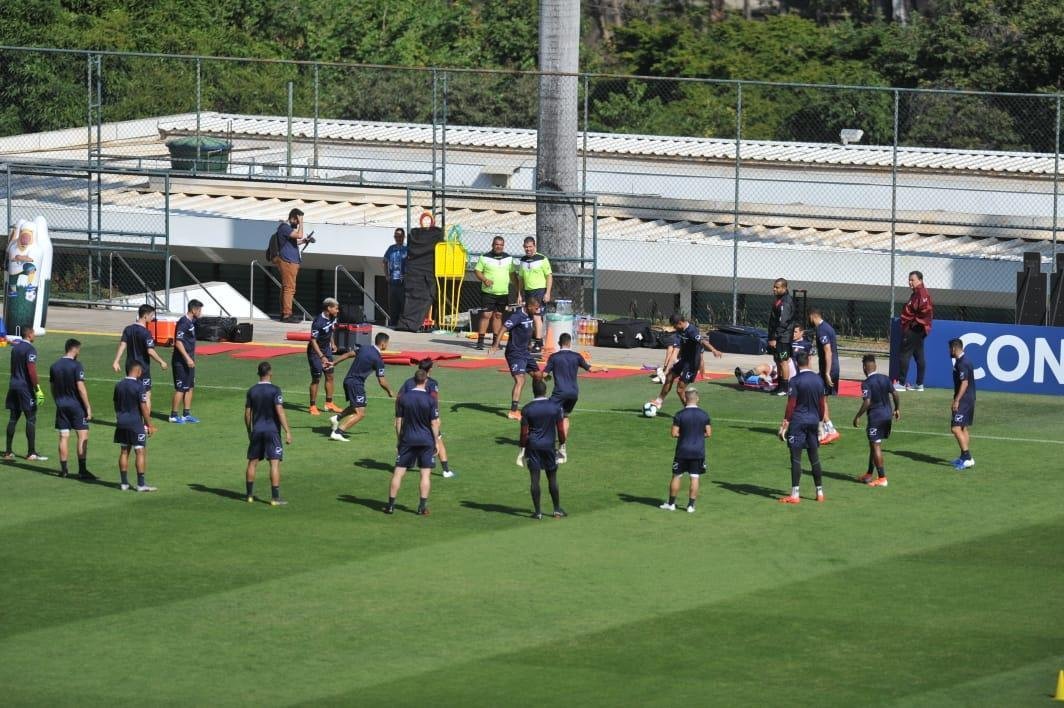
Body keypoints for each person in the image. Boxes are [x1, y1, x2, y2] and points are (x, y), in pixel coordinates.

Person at [543, 332, 608, 463]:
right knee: (565, 417)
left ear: (559, 343)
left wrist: (545, 376)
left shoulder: (554, 357)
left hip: (559, 393)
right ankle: (562, 448)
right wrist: (602, 368)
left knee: (546, 415)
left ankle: (545, 444)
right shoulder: (577, 356)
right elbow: (590, 369)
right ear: (570, 343)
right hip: (573, 393)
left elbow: (544, 374)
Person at [385, 369, 439, 516]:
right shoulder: (430, 400)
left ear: (414, 380)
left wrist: (399, 440)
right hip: (426, 440)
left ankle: (390, 506)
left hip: (407, 440)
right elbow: (434, 423)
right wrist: (436, 442)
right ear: (426, 380)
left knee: (398, 472)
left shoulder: (404, 398)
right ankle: (422, 507)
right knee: (425, 474)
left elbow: (398, 421)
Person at [777, 351, 826, 504]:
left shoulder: (795, 381)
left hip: (798, 422)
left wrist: (785, 422)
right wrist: (820, 422)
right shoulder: (818, 380)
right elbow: (822, 404)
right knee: (814, 457)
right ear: (808, 362)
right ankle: (819, 492)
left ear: (797, 364)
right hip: (813, 421)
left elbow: (791, 404)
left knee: (796, 458)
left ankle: (795, 494)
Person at [647, 314, 722, 411]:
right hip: (683, 360)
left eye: (674, 325)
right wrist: (666, 370)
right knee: (669, 377)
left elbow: (702, 341)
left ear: (680, 323)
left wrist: (714, 350)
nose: (674, 328)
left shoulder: (692, 331)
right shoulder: (679, 331)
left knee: (680, 389)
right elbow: (675, 353)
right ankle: (659, 401)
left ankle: (690, 410)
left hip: (692, 364)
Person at [329, 332, 394, 442]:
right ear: (383, 344)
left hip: (348, 381)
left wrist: (334, 363)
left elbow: (348, 354)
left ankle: (337, 418)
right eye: (387, 343)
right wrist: (390, 391)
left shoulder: (364, 348)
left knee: (356, 406)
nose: (388, 345)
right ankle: (338, 432)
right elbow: (382, 381)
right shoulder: (378, 359)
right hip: (356, 384)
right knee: (360, 414)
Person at [396, 358, 456, 478]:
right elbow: (434, 400)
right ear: (430, 369)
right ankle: (446, 470)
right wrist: (437, 416)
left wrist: (399, 415)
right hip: (426, 418)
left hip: (409, 417)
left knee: (408, 440)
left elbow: (399, 398)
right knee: (438, 440)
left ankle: (404, 464)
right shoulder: (432, 383)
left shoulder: (408, 382)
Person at [518, 376, 567, 519]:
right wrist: (562, 444)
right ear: (545, 391)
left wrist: (522, 449)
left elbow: (524, 433)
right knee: (552, 478)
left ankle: (538, 512)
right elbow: (560, 429)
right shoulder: (555, 407)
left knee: (534, 479)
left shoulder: (527, 409)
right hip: (549, 446)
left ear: (533, 391)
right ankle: (556, 510)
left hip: (533, 446)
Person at [244, 361, 292, 506]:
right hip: (272, 432)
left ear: (258, 373)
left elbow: (247, 414)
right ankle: (275, 498)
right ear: (270, 373)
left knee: (252, 463)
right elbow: (280, 411)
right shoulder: (275, 390)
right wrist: (287, 431)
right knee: (274, 463)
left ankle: (249, 496)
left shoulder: (252, 391)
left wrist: (249, 431)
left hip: (257, 431)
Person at [112, 304, 169, 417]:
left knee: (133, 392)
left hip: (129, 366)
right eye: (151, 315)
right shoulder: (146, 333)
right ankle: (146, 423)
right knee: (146, 395)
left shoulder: (128, 329)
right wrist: (161, 362)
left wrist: (116, 361)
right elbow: (150, 351)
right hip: (142, 368)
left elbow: (123, 345)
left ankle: (133, 418)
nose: (153, 317)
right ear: (145, 316)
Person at [489, 295, 541, 420]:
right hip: (515, 353)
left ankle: (538, 403)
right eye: (536, 308)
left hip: (525, 352)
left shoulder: (530, 315)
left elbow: (527, 330)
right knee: (520, 380)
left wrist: (529, 344)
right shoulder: (516, 316)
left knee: (538, 375)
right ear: (529, 306)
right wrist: (496, 345)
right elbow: (503, 329)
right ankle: (513, 411)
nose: (537, 310)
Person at [660, 388, 712, 513]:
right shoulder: (704, 414)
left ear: (685, 399)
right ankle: (690, 506)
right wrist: (698, 435)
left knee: (677, 476)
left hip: (682, 451)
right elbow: (708, 433)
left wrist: (684, 435)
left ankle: (671, 504)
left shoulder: (679, 414)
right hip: (698, 451)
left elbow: (674, 433)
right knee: (695, 477)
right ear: (697, 399)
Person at [50, 338, 94, 479]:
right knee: (82, 435)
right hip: (76, 406)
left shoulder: (54, 366)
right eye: (79, 350)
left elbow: (52, 387)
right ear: (74, 349)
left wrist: (57, 401)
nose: (79, 352)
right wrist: (88, 407)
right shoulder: (76, 365)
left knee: (64, 436)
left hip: (61, 405)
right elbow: (81, 388)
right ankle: (82, 470)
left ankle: (64, 470)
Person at [852, 354, 899, 487]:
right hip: (887, 415)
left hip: (876, 417)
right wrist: (897, 409)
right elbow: (895, 393)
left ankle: (882, 478)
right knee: (874, 444)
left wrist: (858, 416)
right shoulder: (885, 378)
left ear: (864, 368)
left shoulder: (866, 383)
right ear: (875, 366)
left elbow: (867, 402)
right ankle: (869, 474)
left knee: (876, 445)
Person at [2, 327, 47, 462]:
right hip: (25, 388)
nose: (35, 336)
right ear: (29, 335)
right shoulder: (30, 349)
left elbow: (13, 368)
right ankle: (31, 453)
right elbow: (31, 370)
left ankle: (8, 452)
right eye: (33, 333)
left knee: (13, 418)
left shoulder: (15, 348)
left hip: (13, 385)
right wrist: (37, 389)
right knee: (31, 418)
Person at [113, 360, 157, 492]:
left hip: (121, 422)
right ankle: (141, 485)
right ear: (137, 370)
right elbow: (143, 407)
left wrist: (120, 417)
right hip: (135, 424)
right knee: (140, 452)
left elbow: (116, 404)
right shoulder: (139, 386)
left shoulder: (119, 385)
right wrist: (149, 425)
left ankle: (124, 483)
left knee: (124, 451)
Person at [473, 236, 513, 350]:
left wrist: (519, 290)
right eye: (496, 244)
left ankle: (496, 342)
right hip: (488, 293)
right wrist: (485, 280)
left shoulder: (508, 258)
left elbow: (512, 274)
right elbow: (477, 271)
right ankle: (480, 341)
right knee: (486, 315)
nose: (499, 246)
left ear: (503, 246)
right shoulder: (484, 257)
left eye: (501, 245)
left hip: (503, 293)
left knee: (498, 316)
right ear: (492, 245)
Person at [896, 270, 934, 392]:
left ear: (920, 280)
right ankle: (919, 384)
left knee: (904, 354)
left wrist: (914, 323)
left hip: (914, 329)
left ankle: (901, 383)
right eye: (909, 280)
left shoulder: (921, 293)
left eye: (912, 280)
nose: (910, 282)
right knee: (919, 356)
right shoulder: (917, 293)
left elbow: (925, 310)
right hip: (918, 329)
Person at [513, 236, 552, 351]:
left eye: (530, 247)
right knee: (529, 317)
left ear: (534, 246)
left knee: (536, 316)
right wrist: (519, 294)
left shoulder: (542, 259)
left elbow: (549, 276)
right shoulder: (523, 260)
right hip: (528, 292)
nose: (528, 249)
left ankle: (539, 343)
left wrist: (547, 293)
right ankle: (530, 342)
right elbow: (521, 279)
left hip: (539, 291)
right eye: (526, 247)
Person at [307, 297, 344, 417]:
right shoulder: (318, 322)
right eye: (336, 308)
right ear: (329, 308)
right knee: (316, 378)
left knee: (330, 376)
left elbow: (330, 331)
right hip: (315, 352)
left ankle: (329, 403)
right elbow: (313, 341)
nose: (337, 310)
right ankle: (312, 406)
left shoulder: (333, 317)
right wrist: (321, 356)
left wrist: (332, 343)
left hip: (326, 350)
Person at [807, 309, 840, 444]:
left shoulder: (822, 330)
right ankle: (826, 430)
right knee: (822, 399)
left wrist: (826, 372)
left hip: (829, 369)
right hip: (831, 368)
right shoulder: (827, 327)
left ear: (812, 316)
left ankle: (830, 430)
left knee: (820, 399)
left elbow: (828, 352)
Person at [271, 208, 308, 323]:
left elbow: (293, 242)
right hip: (288, 261)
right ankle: (287, 314)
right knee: (289, 288)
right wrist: (301, 223)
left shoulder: (287, 229)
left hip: (290, 261)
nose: (297, 223)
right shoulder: (284, 227)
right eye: (297, 220)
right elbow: (299, 235)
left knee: (286, 287)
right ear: (293, 218)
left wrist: (304, 241)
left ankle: (284, 313)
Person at [169, 299, 203, 424]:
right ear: (193, 310)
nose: (200, 313)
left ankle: (186, 414)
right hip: (181, 362)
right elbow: (178, 342)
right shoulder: (183, 323)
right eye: (199, 310)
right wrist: (187, 358)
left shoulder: (191, 321)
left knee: (190, 387)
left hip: (190, 361)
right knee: (181, 388)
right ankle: (173, 416)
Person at [949, 338, 976, 471]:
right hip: (969, 398)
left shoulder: (962, 363)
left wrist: (957, 400)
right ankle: (963, 457)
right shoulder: (965, 361)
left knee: (955, 428)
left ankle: (967, 457)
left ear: (954, 348)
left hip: (964, 400)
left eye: (950, 349)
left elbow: (964, 383)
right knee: (963, 428)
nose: (949, 351)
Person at [767, 278, 797, 396]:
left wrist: (774, 337)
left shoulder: (786, 302)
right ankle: (779, 386)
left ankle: (785, 388)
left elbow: (783, 322)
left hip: (783, 338)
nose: (774, 289)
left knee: (783, 361)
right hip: (778, 336)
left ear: (784, 288)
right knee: (778, 361)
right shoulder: (779, 299)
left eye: (777, 287)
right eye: (774, 286)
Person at [382, 227, 407, 326]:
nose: (398, 238)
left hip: (403, 283)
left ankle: (403, 326)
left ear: (404, 237)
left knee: (404, 306)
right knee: (393, 307)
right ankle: (393, 325)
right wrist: (386, 276)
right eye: (396, 236)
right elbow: (384, 261)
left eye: (400, 236)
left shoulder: (407, 249)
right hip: (392, 282)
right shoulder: (391, 248)